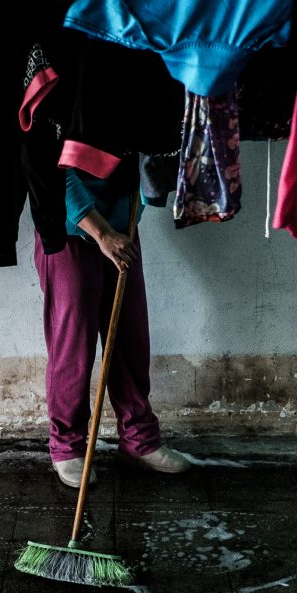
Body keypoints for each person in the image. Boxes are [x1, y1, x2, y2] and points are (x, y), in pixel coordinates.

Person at [34, 164, 191, 488]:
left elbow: (148, 161)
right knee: (73, 350)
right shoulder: (62, 112)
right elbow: (50, 167)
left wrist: (126, 221)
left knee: (130, 339)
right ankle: (67, 447)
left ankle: (138, 440)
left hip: (124, 229)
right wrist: (101, 231)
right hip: (69, 232)